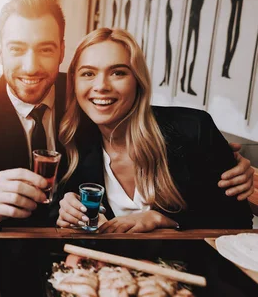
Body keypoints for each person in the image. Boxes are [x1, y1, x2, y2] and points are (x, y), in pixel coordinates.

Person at [0, 0, 254, 230]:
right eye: (17, 48)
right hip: (17, 250)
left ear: (61, 50)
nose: (31, 66)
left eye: (45, 49)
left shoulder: (85, 95)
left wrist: (227, 162)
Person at [56, 28, 254, 232]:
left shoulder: (194, 129)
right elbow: (65, 219)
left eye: (118, 73)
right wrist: (67, 213)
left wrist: (163, 219)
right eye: (88, 73)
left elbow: (238, 223)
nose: (101, 85)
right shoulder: (73, 144)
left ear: (138, 81)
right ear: (74, 83)